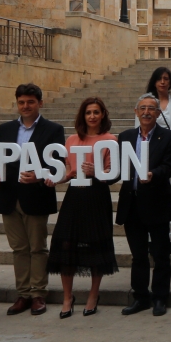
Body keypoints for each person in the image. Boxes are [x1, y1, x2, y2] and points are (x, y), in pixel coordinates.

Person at [0, 83, 65, 316]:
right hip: (9, 197)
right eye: (21, 102)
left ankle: (38, 294)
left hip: (37, 196)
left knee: (38, 248)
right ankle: (23, 294)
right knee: (19, 249)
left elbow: (59, 164)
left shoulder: (53, 129)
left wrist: (40, 176)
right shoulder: (6, 128)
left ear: (40, 103)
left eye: (30, 102)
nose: (25, 106)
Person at [47, 98, 118, 318]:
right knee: (65, 243)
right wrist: (55, 179)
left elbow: (113, 173)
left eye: (96, 112)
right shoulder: (71, 140)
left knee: (96, 245)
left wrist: (97, 171)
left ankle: (93, 295)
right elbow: (69, 171)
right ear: (83, 115)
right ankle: (67, 297)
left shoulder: (110, 140)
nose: (92, 116)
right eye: (88, 112)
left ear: (103, 114)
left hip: (97, 195)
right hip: (75, 196)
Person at [117, 93, 171, 317]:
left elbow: (169, 167)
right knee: (138, 255)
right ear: (136, 112)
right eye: (142, 108)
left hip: (157, 203)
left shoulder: (169, 137)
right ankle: (141, 297)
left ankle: (160, 297)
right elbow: (119, 167)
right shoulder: (125, 137)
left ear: (158, 113)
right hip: (131, 203)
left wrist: (153, 174)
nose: (146, 112)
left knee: (161, 255)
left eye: (151, 108)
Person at [135, 65, 171, 131]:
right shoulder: (143, 102)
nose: (162, 82)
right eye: (159, 79)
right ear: (154, 82)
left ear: (170, 82)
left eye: (166, 79)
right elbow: (138, 127)